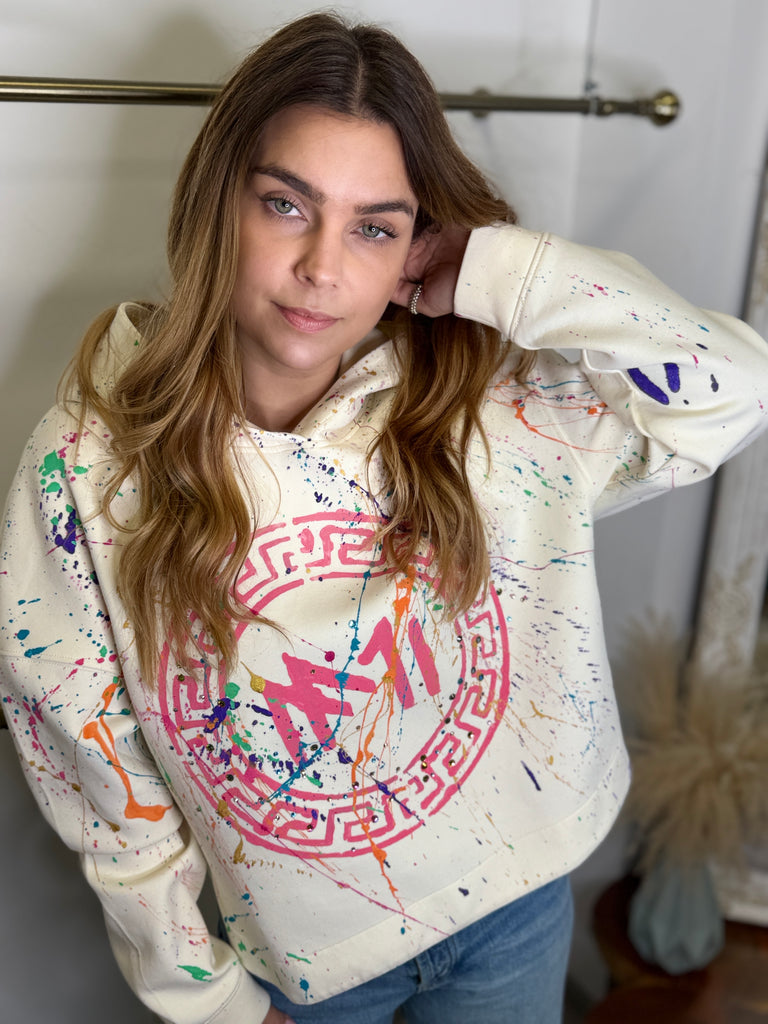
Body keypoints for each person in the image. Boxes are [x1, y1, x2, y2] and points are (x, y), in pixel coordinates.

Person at [1, 11, 766, 1024]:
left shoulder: (488, 408)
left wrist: (501, 272)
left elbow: (731, 391)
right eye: (286, 204)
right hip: (310, 965)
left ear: (418, 243)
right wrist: (210, 1001)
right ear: (217, 200)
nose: (324, 266)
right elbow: (95, 771)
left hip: (515, 906)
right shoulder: (86, 468)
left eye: (375, 226)